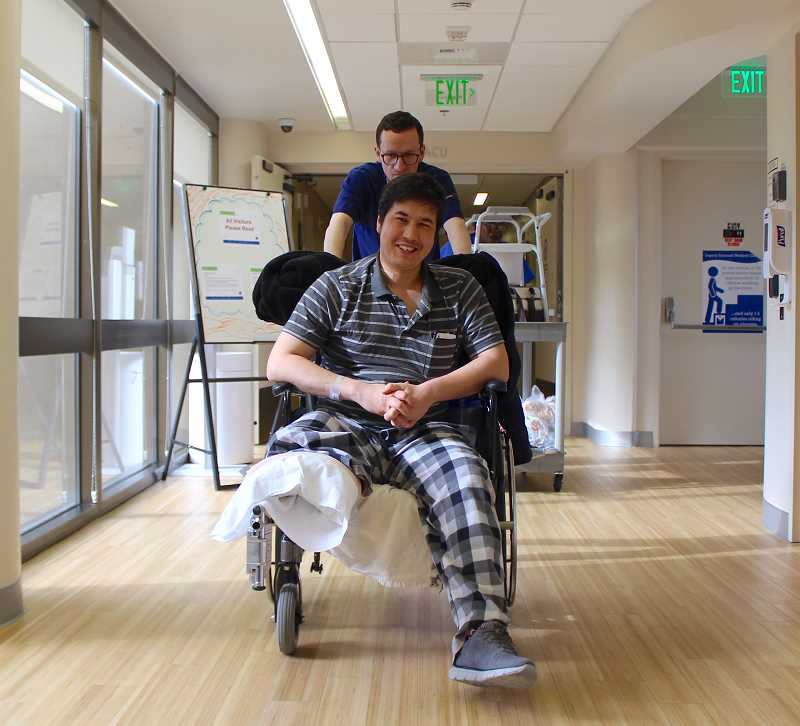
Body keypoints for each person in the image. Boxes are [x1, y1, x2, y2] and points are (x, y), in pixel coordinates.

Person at [266, 173, 535, 688]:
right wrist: (359, 391)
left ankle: (481, 634)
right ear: (378, 224)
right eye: (401, 220)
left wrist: (429, 392)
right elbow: (282, 361)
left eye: (425, 225)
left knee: (466, 477)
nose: (411, 234)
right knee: (300, 454)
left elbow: (495, 361)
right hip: (347, 418)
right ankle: (335, 497)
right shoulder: (337, 286)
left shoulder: (461, 288)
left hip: (429, 426)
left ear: (436, 235)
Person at [323, 110, 472, 261]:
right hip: (369, 276)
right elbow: (339, 225)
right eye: (390, 156)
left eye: (408, 156)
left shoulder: (437, 180)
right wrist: (329, 271)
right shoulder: (361, 179)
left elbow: (455, 226)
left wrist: (467, 267)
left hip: (424, 275)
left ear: (421, 152)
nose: (399, 167)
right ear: (377, 153)